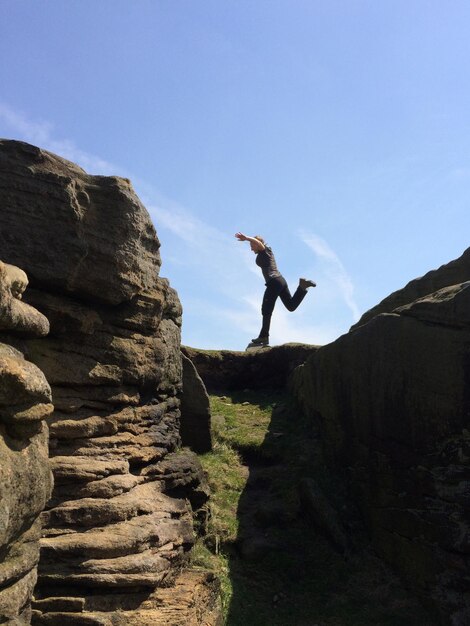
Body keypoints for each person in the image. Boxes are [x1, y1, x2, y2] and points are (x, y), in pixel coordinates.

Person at [235, 232, 316, 346]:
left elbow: (259, 244)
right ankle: (302, 287)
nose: (251, 249)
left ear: (258, 244)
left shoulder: (265, 250)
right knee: (291, 306)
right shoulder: (264, 253)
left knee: (266, 309)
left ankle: (263, 337)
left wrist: (247, 238)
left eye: (252, 245)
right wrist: (250, 241)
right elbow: (258, 245)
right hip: (280, 281)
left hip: (274, 282)